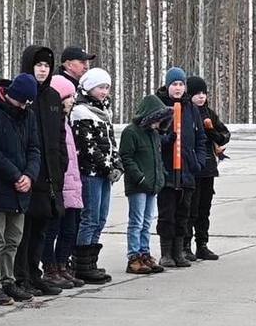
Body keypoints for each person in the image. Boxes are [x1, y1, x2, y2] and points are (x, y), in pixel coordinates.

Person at [0, 73, 40, 306]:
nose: (24, 106)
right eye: (22, 101)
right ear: (12, 95)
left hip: (22, 187)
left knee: (14, 238)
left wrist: (29, 175)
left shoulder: (28, 115)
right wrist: (15, 175)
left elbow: (34, 148)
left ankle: (8, 280)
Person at [14, 46, 69, 297]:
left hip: (51, 174)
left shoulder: (53, 97)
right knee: (24, 230)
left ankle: (34, 274)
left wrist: (61, 164)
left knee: (42, 229)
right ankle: (21, 275)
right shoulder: (24, 95)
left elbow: (59, 134)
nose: (43, 70)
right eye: (38, 65)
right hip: (28, 173)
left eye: (47, 66)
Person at [70, 67, 123, 284]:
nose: (104, 91)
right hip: (91, 172)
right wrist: (107, 167)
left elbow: (110, 142)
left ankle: (91, 261)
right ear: (90, 87)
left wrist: (117, 163)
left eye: (107, 87)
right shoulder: (81, 112)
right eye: (101, 87)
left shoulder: (104, 112)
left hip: (105, 173)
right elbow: (88, 145)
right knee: (90, 218)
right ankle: (81, 264)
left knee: (101, 218)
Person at [155, 67, 206, 268]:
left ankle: (179, 250)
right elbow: (152, 136)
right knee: (167, 213)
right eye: (174, 84)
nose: (178, 88)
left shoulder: (191, 109)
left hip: (187, 170)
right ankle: (166, 252)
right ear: (168, 86)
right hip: (167, 170)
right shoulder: (159, 106)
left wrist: (198, 161)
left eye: (181, 84)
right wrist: (166, 140)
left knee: (183, 213)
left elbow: (201, 138)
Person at [119, 95, 173, 275]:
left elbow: (157, 159)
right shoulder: (131, 132)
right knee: (137, 221)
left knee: (147, 221)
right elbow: (126, 158)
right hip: (139, 185)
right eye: (157, 118)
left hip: (152, 184)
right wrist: (140, 178)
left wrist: (161, 176)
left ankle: (144, 252)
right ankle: (133, 256)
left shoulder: (154, 134)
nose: (159, 123)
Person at [42, 75, 84, 288]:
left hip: (72, 185)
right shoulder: (53, 121)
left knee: (70, 229)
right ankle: (49, 267)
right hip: (60, 185)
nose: (72, 101)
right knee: (53, 229)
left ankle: (61, 265)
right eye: (69, 97)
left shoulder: (66, 122)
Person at [186, 76, 230, 261]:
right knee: (190, 209)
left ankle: (202, 244)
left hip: (208, 168)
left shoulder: (209, 114)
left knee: (204, 209)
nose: (201, 97)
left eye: (204, 93)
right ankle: (185, 246)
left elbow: (224, 136)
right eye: (197, 93)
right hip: (192, 168)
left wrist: (210, 130)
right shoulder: (186, 112)